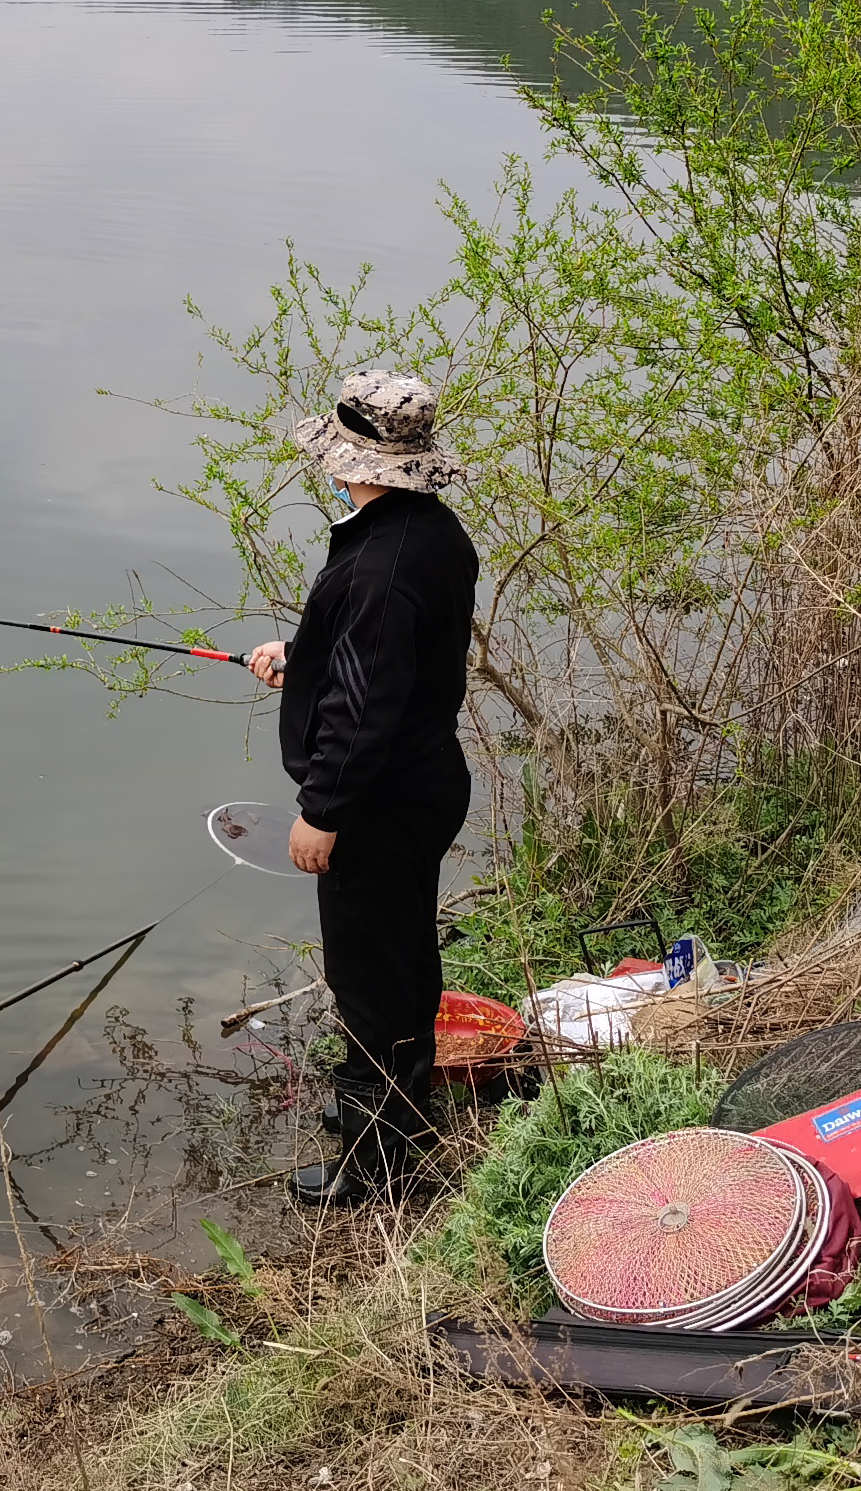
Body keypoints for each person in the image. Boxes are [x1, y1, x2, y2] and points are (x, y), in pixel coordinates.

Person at [247, 369, 479, 1205]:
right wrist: (302, 658)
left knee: (370, 983)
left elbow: (364, 706)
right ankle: (405, 1125)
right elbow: (378, 663)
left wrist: (322, 811)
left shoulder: (380, 563)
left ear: (356, 463)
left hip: (376, 803)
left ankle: (376, 1170)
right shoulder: (432, 532)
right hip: (424, 781)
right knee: (406, 957)